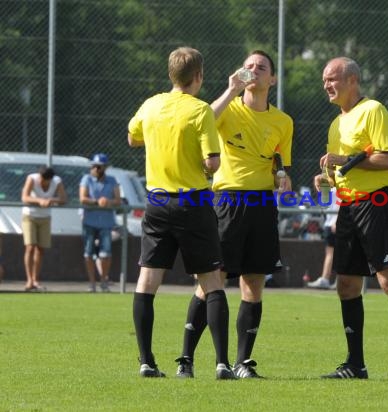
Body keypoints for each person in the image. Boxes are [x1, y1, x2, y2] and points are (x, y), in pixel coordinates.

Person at [181, 50, 293, 379]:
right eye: (249, 66)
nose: (254, 71)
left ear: (272, 79)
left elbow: (279, 164)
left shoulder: (283, 121)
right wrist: (230, 90)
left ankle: (242, 362)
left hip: (262, 204)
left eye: (262, 67)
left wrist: (282, 178)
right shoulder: (228, 108)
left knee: (254, 283)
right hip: (228, 201)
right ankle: (185, 359)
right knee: (211, 281)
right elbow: (200, 120)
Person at [315, 57, 388, 380]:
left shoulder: (373, 110)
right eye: (324, 80)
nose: (327, 85)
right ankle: (355, 364)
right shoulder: (337, 123)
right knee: (347, 284)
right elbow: (344, 168)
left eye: (332, 78)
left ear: (352, 80)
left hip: (378, 202)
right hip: (348, 206)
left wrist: (345, 160)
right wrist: (329, 176)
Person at [127, 46, 234, 379]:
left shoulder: (151, 105)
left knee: (147, 281)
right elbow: (212, 162)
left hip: (157, 201)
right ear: (198, 76)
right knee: (212, 282)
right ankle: (221, 364)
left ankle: (146, 362)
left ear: (171, 75)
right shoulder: (200, 110)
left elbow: (132, 138)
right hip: (193, 202)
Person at [21, 165, 67, 292]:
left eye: (45, 180)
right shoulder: (31, 178)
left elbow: (63, 199)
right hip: (29, 216)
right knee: (30, 246)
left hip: (45, 217)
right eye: (41, 179)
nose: (42, 182)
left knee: (40, 249)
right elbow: (24, 197)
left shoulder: (57, 181)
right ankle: (29, 280)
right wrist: (39, 201)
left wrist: (51, 199)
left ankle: (36, 280)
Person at [79, 153, 121, 293]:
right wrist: (97, 202)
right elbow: (83, 198)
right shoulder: (86, 179)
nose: (95, 169)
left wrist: (107, 202)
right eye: (93, 166)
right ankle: (92, 283)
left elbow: (117, 200)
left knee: (106, 253)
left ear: (104, 168)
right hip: (89, 222)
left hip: (106, 223)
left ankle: (103, 281)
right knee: (88, 253)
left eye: (98, 167)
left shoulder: (112, 180)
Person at [307, 188, 339, 289]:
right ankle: (326, 279)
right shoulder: (330, 187)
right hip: (329, 223)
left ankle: (336, 279)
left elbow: (343, 204)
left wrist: (337, 220)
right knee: (330, 252)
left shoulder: (342, 185)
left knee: (339, 253)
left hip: (335, 223)